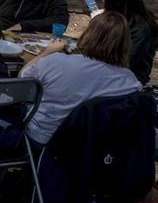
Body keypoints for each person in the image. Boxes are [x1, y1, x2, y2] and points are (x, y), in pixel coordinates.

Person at [19, 11, 142, 147]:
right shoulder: (129, 81)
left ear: (88, 34)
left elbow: (23, 79)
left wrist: (47, 52)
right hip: (91, 146)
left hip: (44, 137)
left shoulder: (56, 62)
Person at [102, 0, 158, 83]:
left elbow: (125, 62)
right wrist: (68, 46)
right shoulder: (111, 20)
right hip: (104, 69)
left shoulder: (142, 29)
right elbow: (90, 49)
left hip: (128, 79)